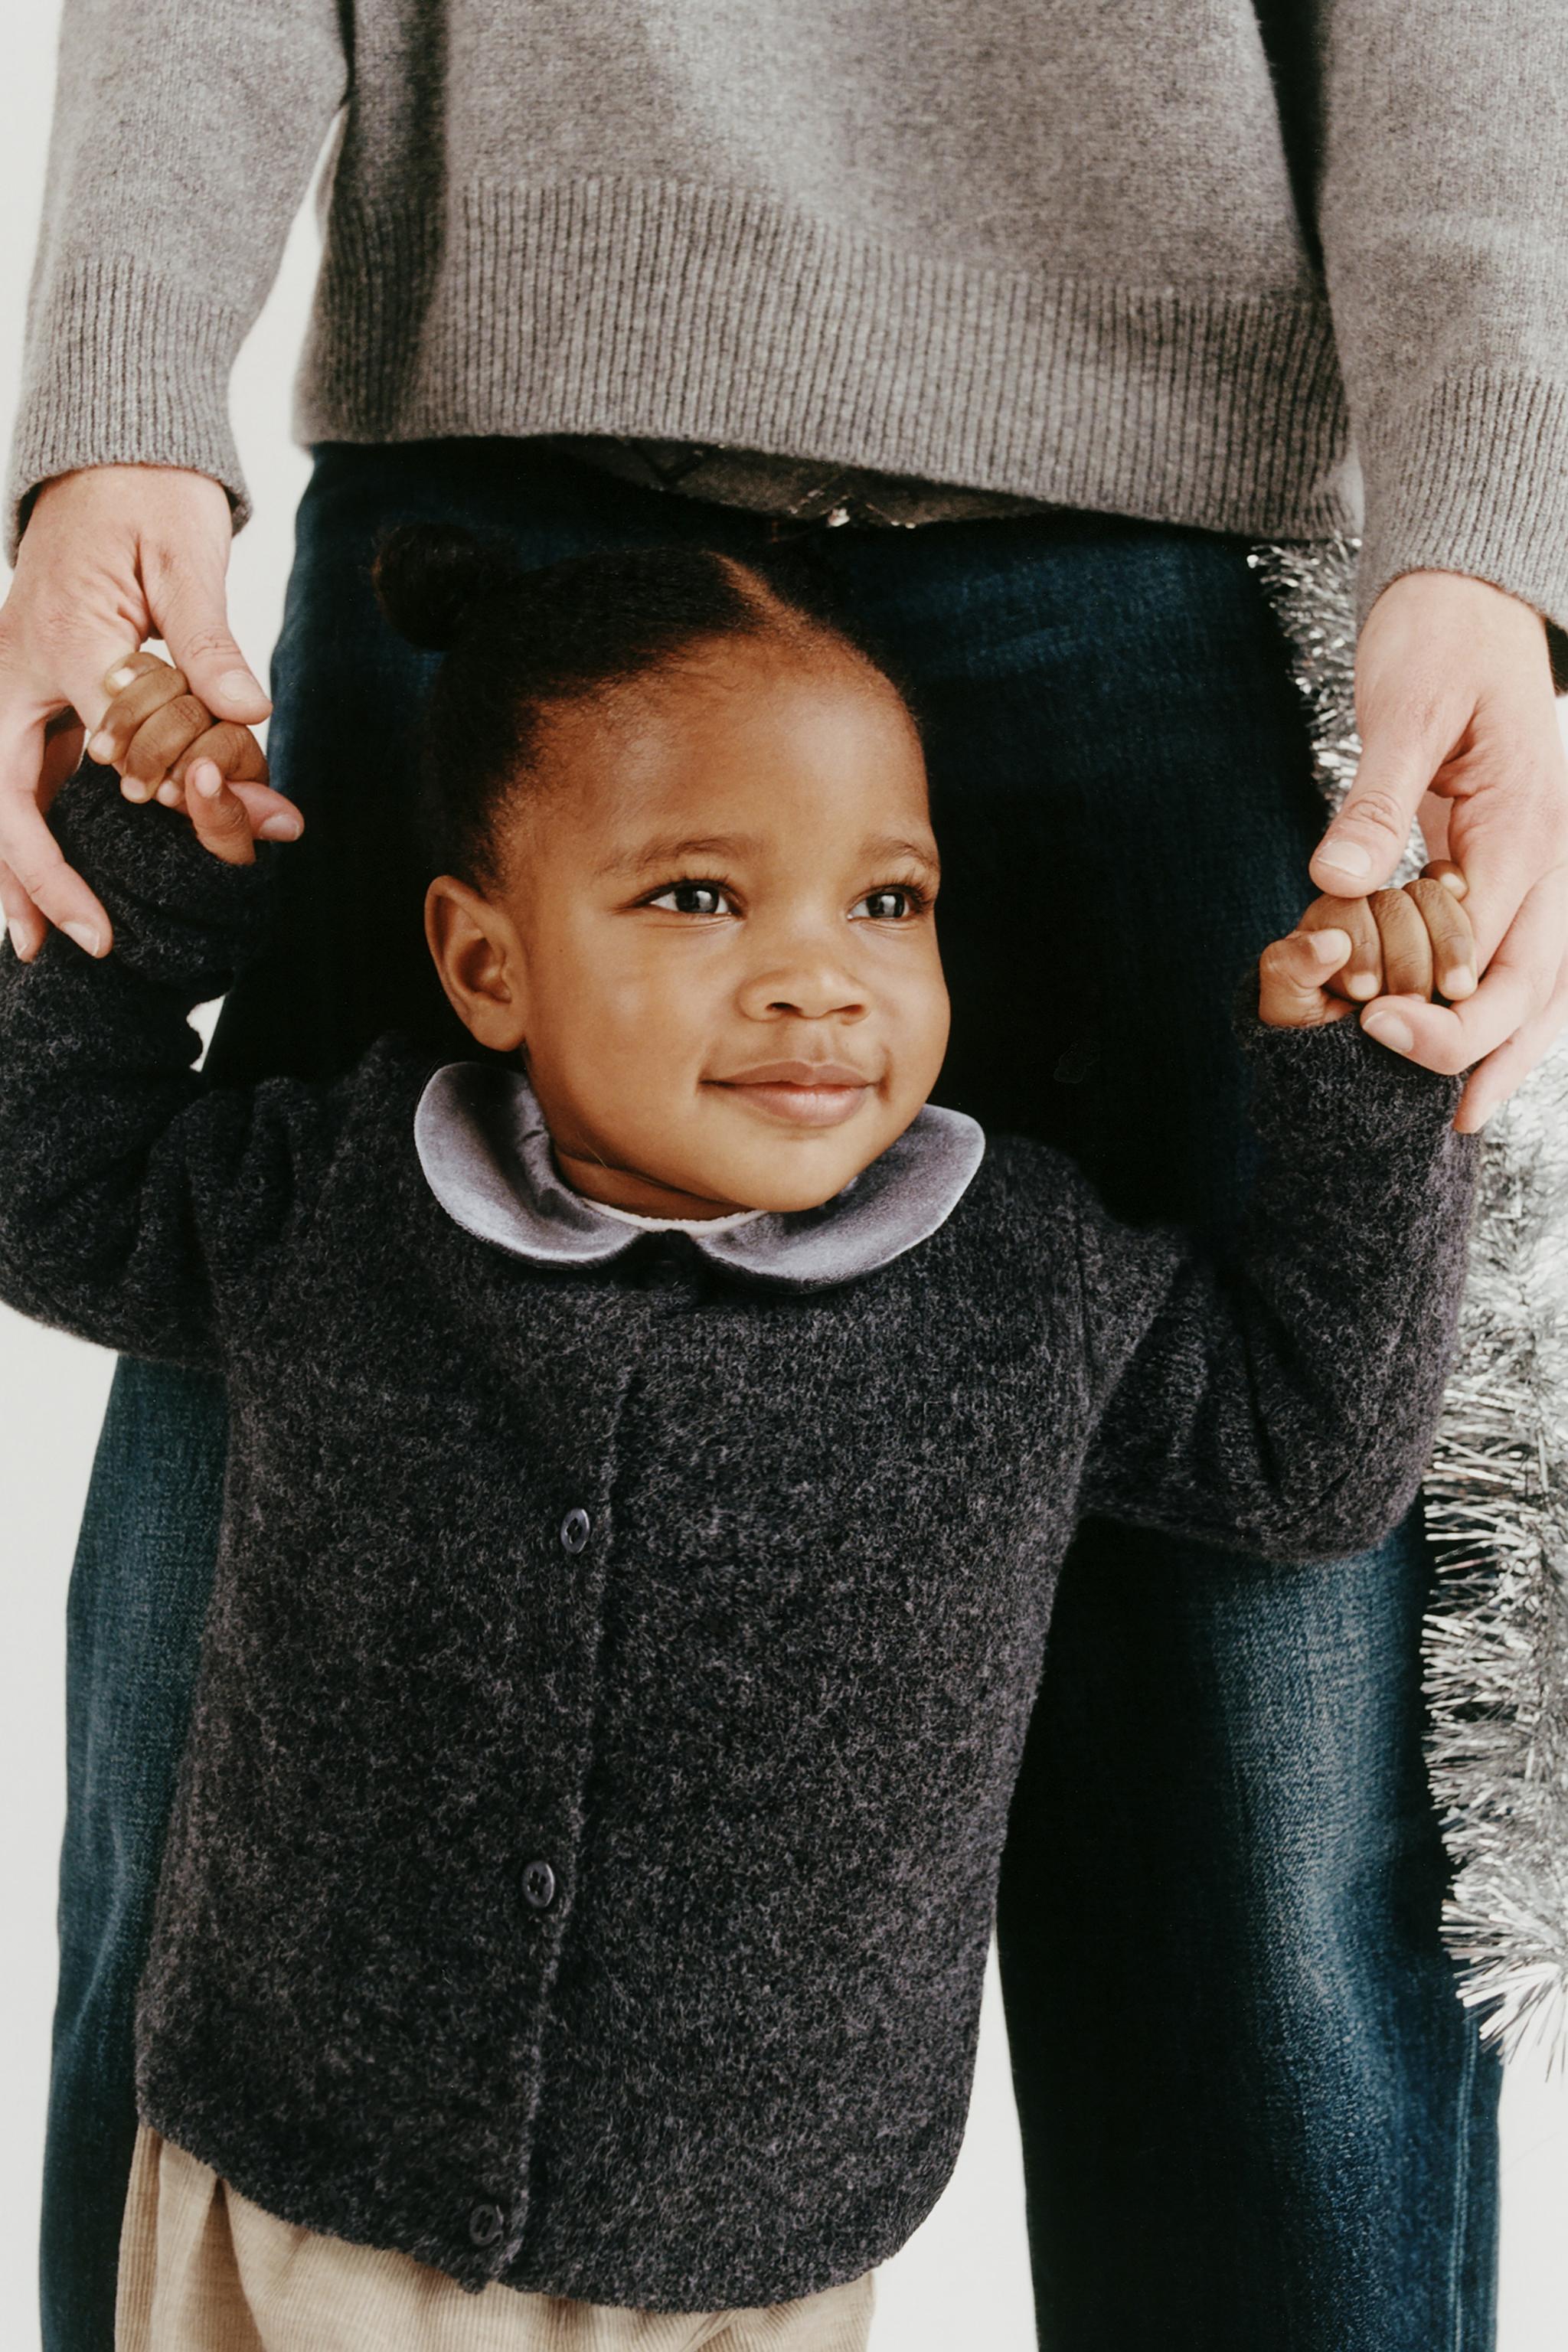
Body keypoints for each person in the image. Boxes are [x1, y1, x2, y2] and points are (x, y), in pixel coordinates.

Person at [3, 8, 1565, 2350]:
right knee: (226, 1761)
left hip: (1139, 524)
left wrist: (1490, 521)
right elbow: (77, 1184)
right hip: (493, 488)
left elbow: (1292, 1438)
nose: (822, 980)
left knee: (1267, 1866)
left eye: (878, 924)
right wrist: (116, 407)